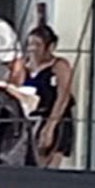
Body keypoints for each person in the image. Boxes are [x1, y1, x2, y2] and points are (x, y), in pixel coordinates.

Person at [22, 24, 76, 167]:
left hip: (53, 119)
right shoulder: (24, 66)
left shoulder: (59, 66)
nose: (33, 49)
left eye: (37, 44)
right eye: (30, 44)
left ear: (50, 47)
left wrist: (50, 127)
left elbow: (63, 96)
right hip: (31, 119)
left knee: (47, 165)